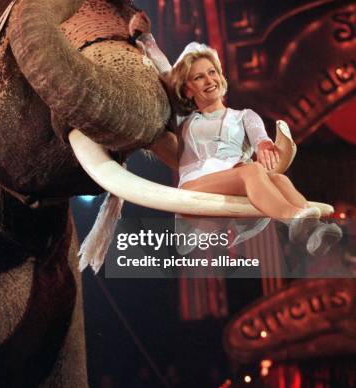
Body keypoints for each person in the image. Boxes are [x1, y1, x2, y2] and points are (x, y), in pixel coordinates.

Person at [138, 36, 342, 255]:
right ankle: (294, 219)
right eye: (199, 77)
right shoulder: (185, 121)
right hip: (196, 190)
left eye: (212, 72)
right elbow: (167, 73)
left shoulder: (245, 116)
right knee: (252, 170)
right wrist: (147, 41)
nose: (209, 80)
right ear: (188, 90)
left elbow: (260, 139)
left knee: (279, 179)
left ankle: (313, 232)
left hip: (237, 186)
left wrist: (264, 146)